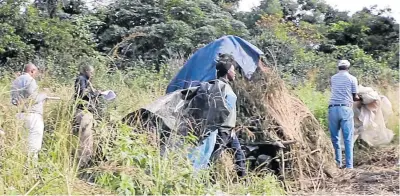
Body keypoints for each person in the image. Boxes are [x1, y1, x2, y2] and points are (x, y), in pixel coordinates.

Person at [211, 53, 246, 177]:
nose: (234, 73)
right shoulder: (219, 86)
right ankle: (207, 181)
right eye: (232, 70)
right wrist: (221, 127)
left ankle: (243, 181)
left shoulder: (225, 86)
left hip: (229, 130)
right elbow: (218, 109)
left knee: (239, 155)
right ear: (227, 72)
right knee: (214, 156)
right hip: (222, 130)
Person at [11, 63, 47, 161]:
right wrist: (44, 95)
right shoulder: (30, 80)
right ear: (32, 71)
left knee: (22, 145)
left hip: (19, 115)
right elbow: (33, 98)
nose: (36, 75)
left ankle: (21, 169)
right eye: (35, 72)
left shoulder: (15, 81)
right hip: (33, 116)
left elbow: (14, 101)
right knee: (33, 147)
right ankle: (31, 171)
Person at [328, 60, 361, 169]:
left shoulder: (333, 78)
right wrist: (361, 98)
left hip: (332, 109)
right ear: (348, 68)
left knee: (335, 138)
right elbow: (354, 97)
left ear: (338, 68)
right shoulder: (352, 78)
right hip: (345, 109)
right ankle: (349, 166)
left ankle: (338, 163)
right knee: (347, 138)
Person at [73, 64, 101, 168]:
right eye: (91, 72)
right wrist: (95, 94)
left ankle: (86, 160)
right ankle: (82, 163)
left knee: (88, 138)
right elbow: (82, 94)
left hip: (85, 112)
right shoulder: (81, 79)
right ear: (86, 71)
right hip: (83, 111)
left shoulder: (85, 80)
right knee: (85, 138)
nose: (92, 75)